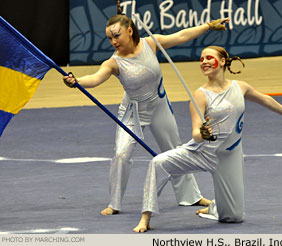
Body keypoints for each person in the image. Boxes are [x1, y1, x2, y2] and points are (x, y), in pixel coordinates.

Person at [63, 1, 230, 215]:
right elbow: (95, 78)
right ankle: (114, 203)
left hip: (159, 106)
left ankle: (191, 196)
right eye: (110, 38)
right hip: (132, 113)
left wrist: (208, 26)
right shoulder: (113, 62)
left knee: (174, 151)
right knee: (121, 154)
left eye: (117, 36)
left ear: (130, 30)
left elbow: (181, 36)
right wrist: (77, 81)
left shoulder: (151, 44)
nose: (113, 41)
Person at [133, 46, 282, 232]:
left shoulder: (240, 87)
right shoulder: (199, 95)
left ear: (223, 61)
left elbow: (264, 99)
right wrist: (203, 134)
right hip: (203, 152)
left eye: (209, 58)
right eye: (201, 59)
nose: (204, 62)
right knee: (158, 163)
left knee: (234, 217)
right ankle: (145, 218)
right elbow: (196, 134)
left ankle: (216, 207)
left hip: (229, 157)